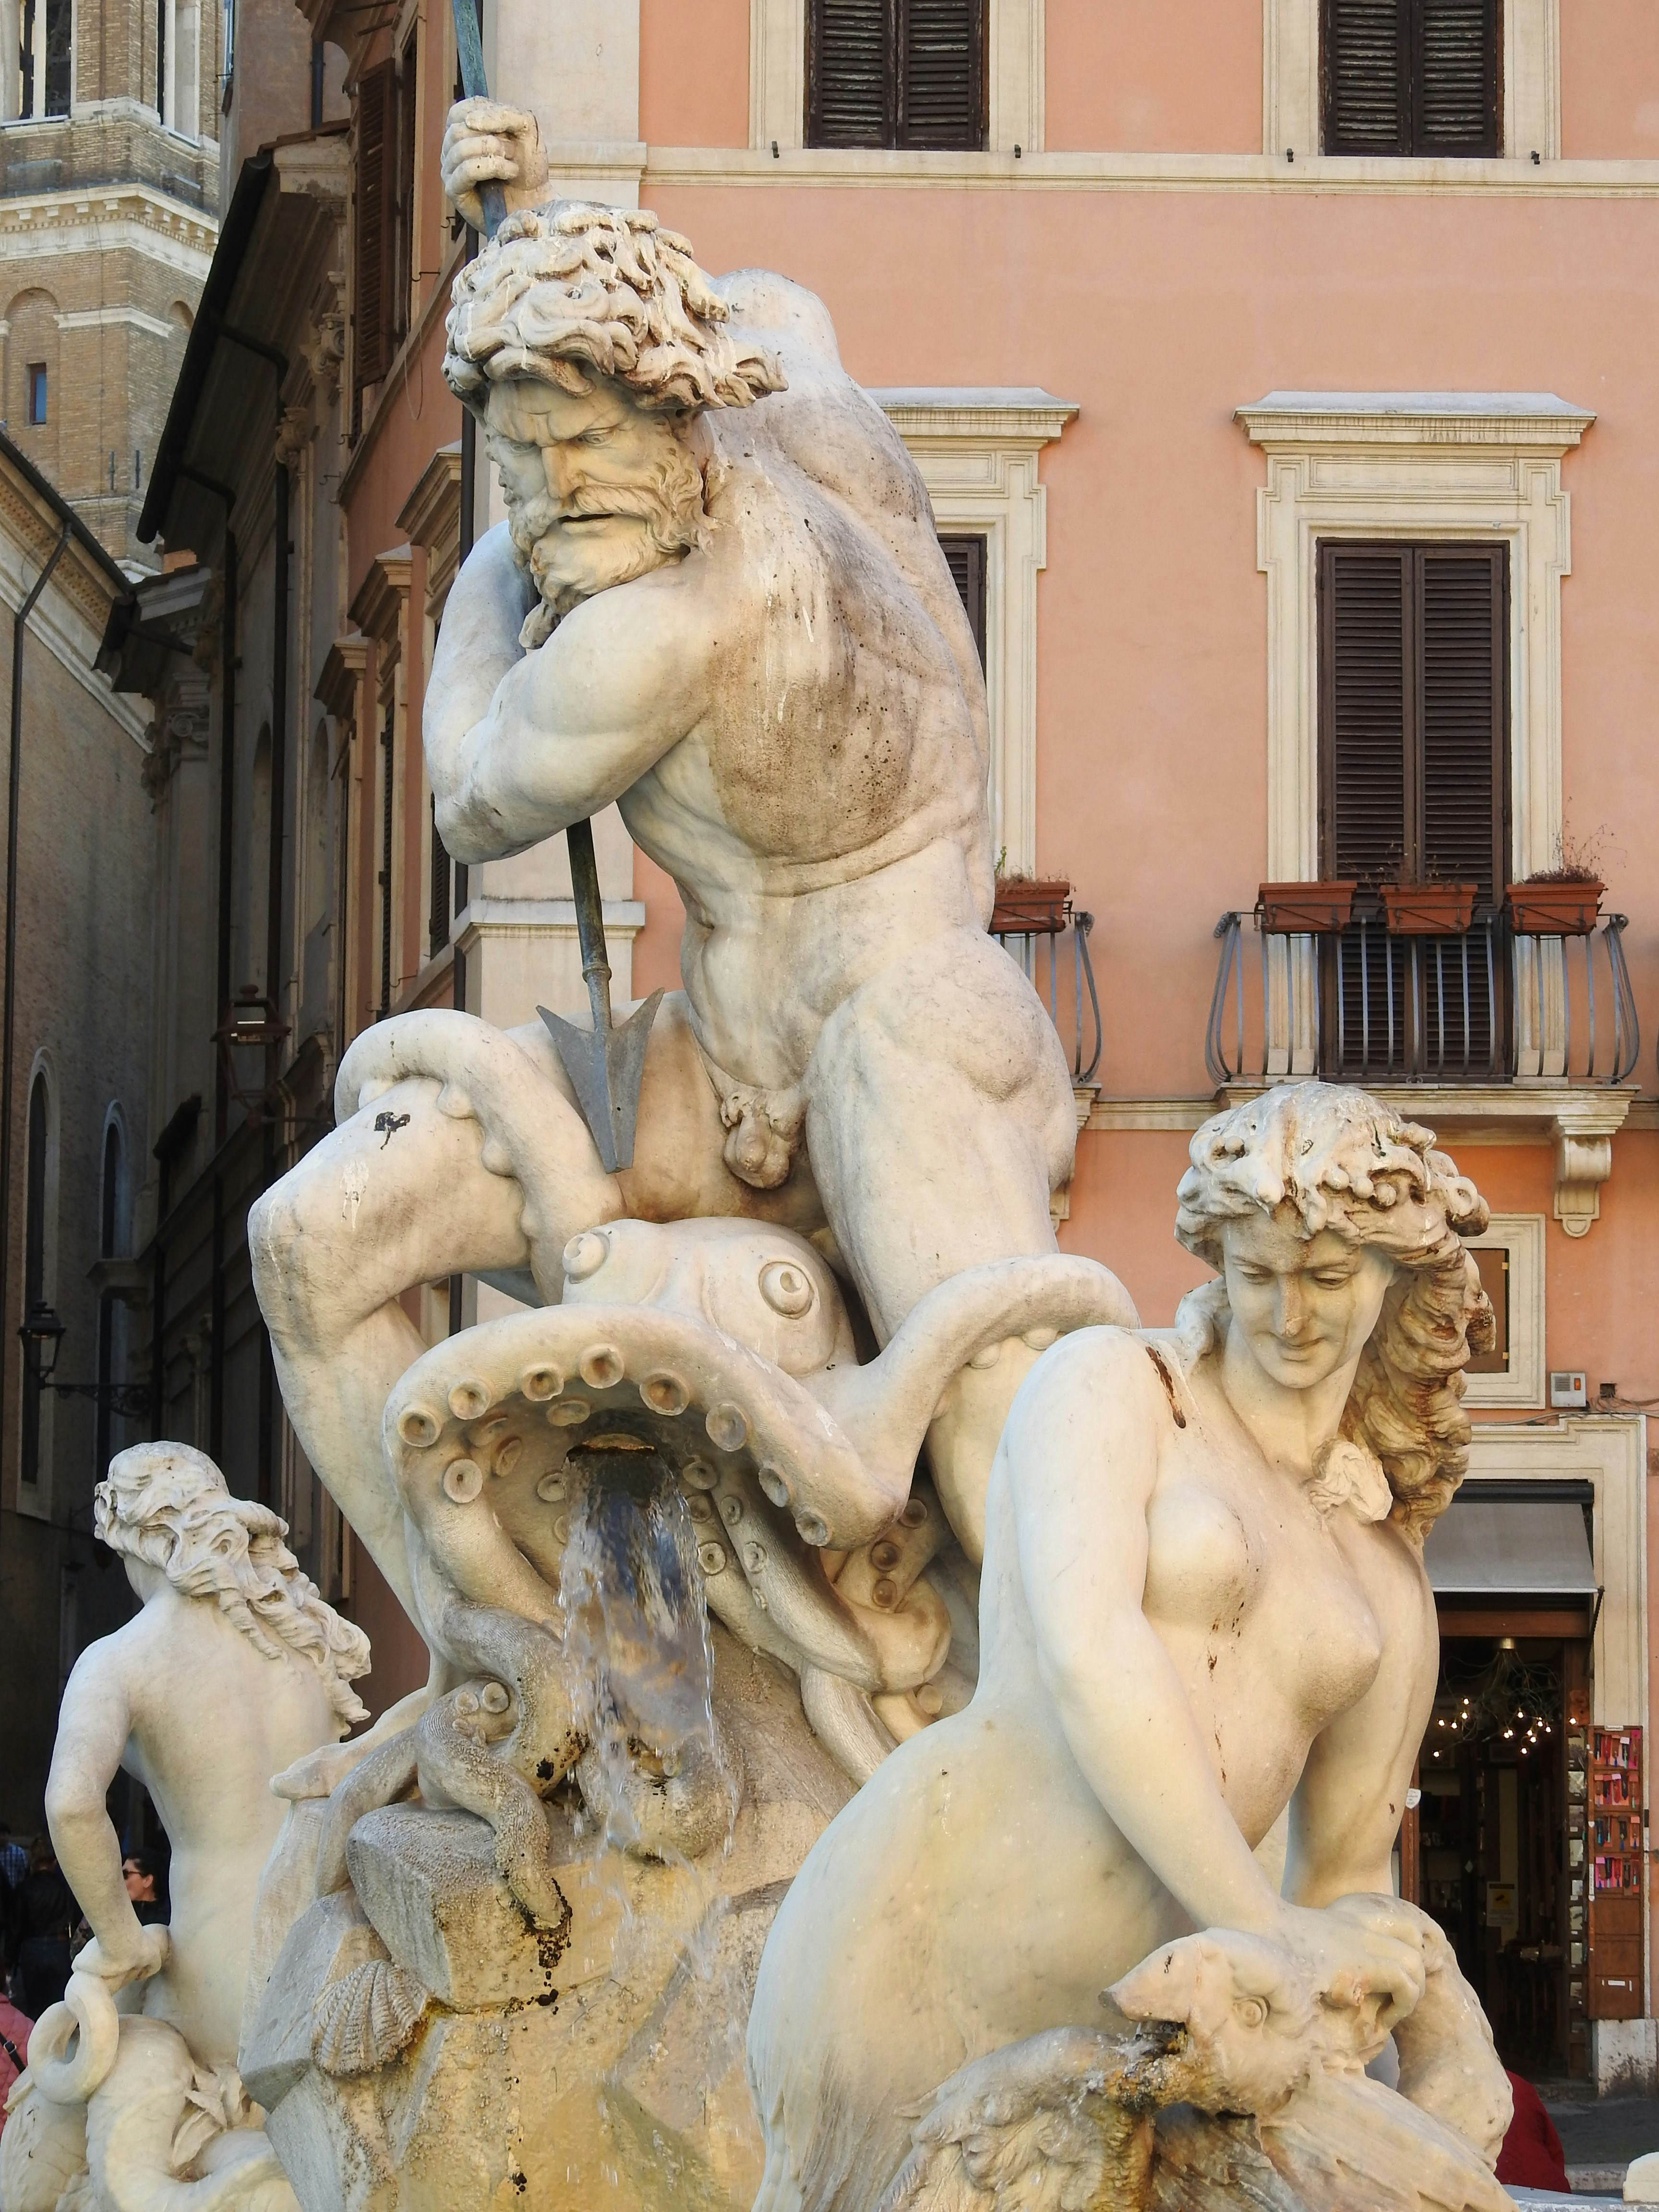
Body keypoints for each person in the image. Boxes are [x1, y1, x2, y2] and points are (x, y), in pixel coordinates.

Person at [250, 126, 1078, 1674]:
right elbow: (760, 309)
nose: (556, 493)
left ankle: (1068, 1738)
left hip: (901, 1032)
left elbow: (471, 793)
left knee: (1004, 1438)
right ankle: (492, 1674)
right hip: (711, 1066)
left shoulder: (664, 627)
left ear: (668, 403)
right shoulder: (790, 369)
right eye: (521, 455)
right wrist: (531, 238)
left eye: (579, 446)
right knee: (314, 1242)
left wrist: (490, 556)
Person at [746, 1082, 1507, 2209]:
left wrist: (1369, 2021)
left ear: (1393, 1279)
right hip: (918, 1933)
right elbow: (1090, 1651)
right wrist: (1259, 1928)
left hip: (1135, 2027)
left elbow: (1340, 1881)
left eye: (1327, 1279)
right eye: (1256, 1275)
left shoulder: (1382, 1586)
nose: (1288, 1314)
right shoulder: (1112, 1389)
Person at [43, 1443, 370, 2069]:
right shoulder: (302, 1638)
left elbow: (71, 1804)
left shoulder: (121, 1659)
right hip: (338, 1948)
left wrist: (119, 1942)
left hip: (221, 1972)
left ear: (140, 1541)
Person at [13, 1837, 76, 2022]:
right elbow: (73, 1916)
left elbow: (15, 1926)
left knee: (34, 2007)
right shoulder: (65, 1887)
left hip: (31, 1947)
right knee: (60, 2008)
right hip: (60, 1946)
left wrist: (10, 1958)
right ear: (54, 1861)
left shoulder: (24, 1888)